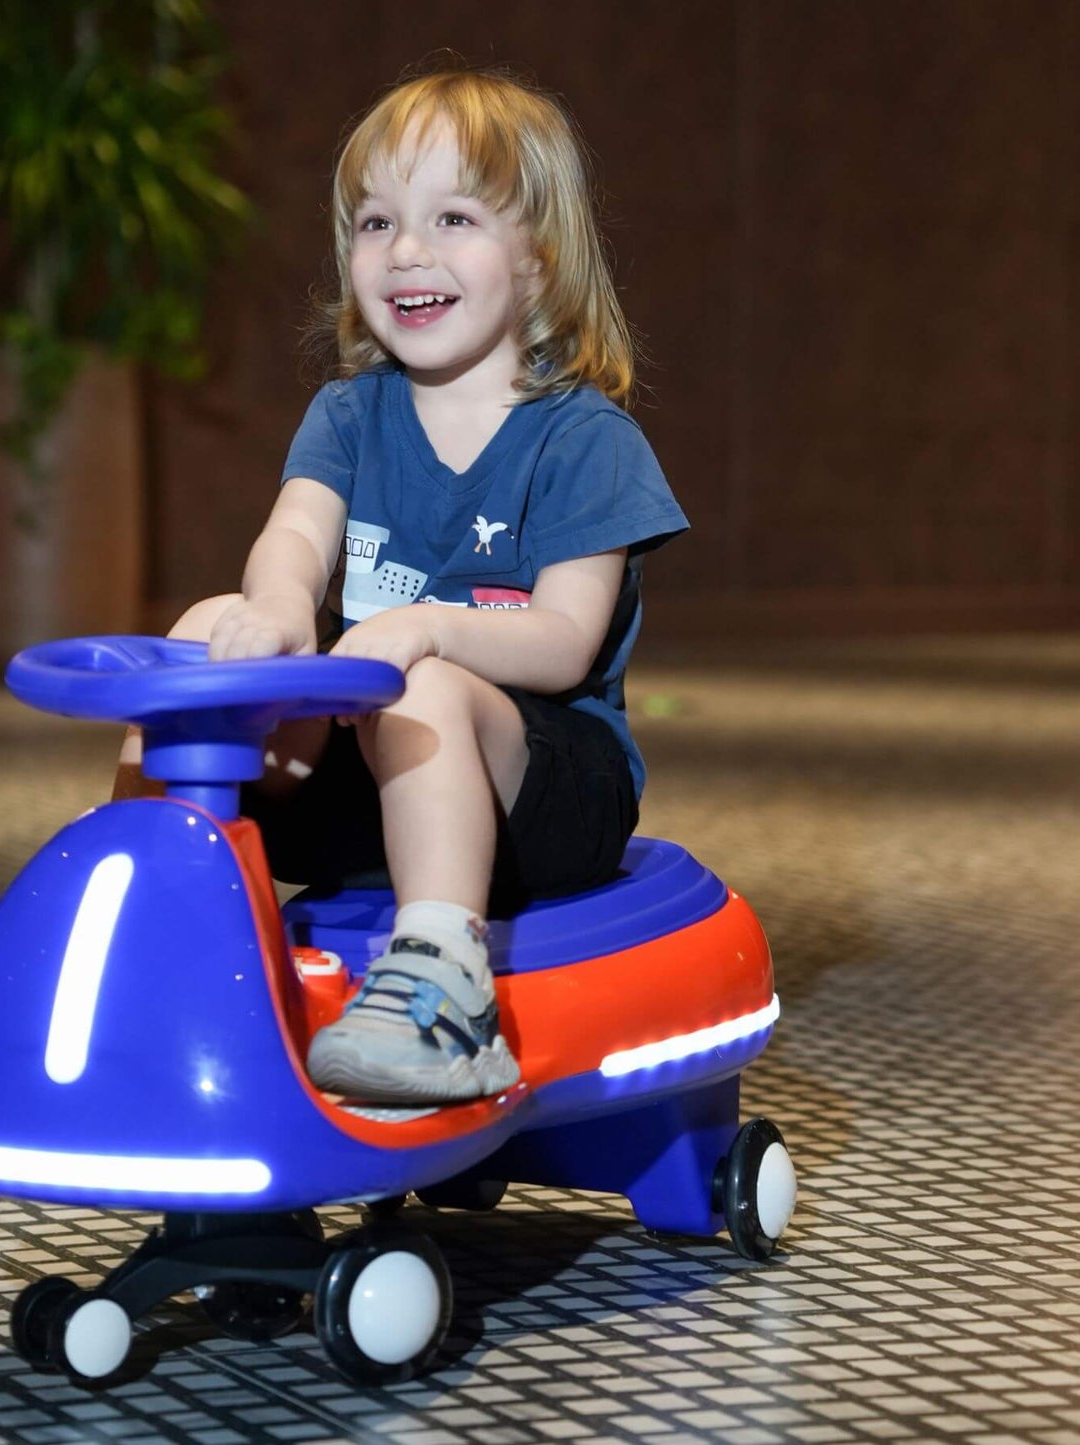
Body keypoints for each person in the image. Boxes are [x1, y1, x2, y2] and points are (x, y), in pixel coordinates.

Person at [117, 65, 689, 1107]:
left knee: (417, 680)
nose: (405, 250)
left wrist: (424, 625)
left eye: (451, 217)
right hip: (366, 769)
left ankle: (445, 988)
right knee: (209, 630)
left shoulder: (582, 438)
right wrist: (279, 611)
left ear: (537, 257)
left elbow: (564, 641)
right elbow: (293, 534)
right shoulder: (350, 413)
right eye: (375, 222)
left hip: (543, 792)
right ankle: (146, 919)